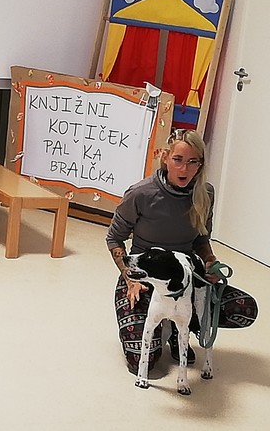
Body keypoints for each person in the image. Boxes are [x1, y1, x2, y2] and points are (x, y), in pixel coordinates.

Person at [106, 129, 257, 373]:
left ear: (200, 164)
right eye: (178, 159)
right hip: (145, 278)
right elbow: (114, 238)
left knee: (244, 308)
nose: (184, 169)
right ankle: (162, 324)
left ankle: (180, 327)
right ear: (165, 158)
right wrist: (130, 280)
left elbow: (201, 238)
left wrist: (210, 261)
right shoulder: (141, 193)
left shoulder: (205, 193)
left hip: (186, 278)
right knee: (141, 361)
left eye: (192, 162)